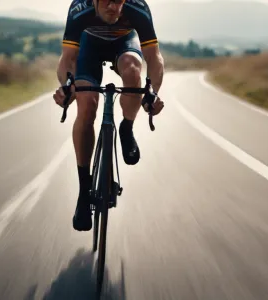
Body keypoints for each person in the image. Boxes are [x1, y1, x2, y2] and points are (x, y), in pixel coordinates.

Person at [53, 0, 165, 231]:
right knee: (86, 104)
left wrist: (152, 92)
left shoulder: (138, 8)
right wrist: (67, 86)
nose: (113, 6)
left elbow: (153, 57)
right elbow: (68, 59)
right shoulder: (79, 9)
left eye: (119, 0)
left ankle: (127, 127)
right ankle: (84, 192)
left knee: (134, 71)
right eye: (106, 0)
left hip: (124, 43)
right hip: (89, 47)